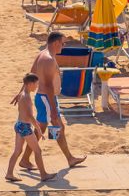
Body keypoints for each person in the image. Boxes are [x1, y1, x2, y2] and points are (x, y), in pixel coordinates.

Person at [26, 33, 85, 171]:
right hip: (46, 99)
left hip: (45, 99)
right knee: (55, 126)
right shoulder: (48, 59)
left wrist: (23, 91)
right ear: (55, 43)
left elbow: (31, 74)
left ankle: (25, 158)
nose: (64, 46)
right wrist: (53, 109)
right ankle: (69, 158)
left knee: (47, 128)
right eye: (62, 43)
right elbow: (48, 86)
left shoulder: (42, 54)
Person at [5, 73, 49, 182]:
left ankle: (9, 174)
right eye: (36, 84)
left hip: (19, 124)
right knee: (38, 151)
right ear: (30, 84)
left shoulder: (21, 94)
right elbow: (30, 116)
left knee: (17, 151)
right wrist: (39, 129)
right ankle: (43, 175)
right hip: (25, 127)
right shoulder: (27, 97)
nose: (37, 86)